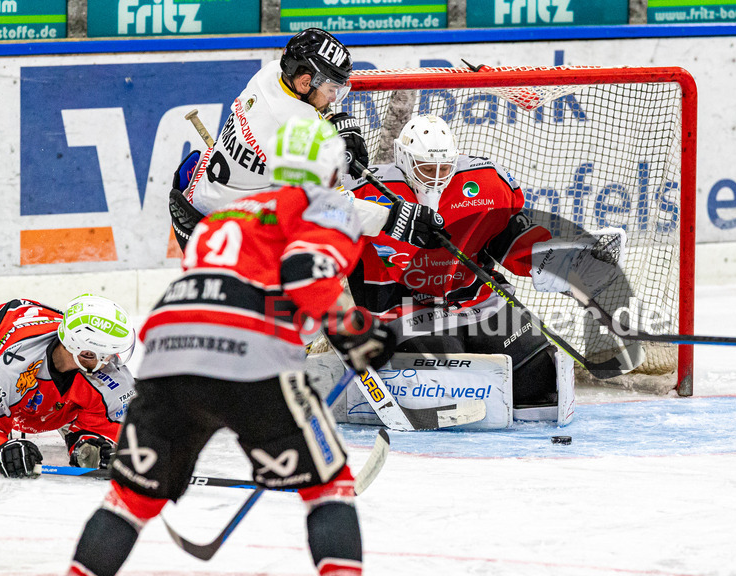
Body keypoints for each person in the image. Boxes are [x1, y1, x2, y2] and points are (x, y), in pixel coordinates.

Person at [67, 117, 396, 576]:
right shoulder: (324, 205)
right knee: (329, 488)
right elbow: (305, 271)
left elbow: (228, 290)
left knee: (129, 500)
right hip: (249, 355)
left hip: (166, 353)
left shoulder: (223, 216)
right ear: (332, 169)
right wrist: (356, 333)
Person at [342, 114, 621, 424]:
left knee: (538, 376)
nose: (436, 177)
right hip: (407, 311)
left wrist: (560, 262)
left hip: (479, 301)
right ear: (405, 161)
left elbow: (509, 238)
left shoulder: (486, 182)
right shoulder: (365, 191)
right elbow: (318, 222)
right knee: (452, 384)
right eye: (426, 168)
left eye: (443, 168)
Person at [169, 27, 444, 256]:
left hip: (200, 196)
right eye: (331, 90)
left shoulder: (269, 74)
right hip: (220, 236)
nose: (333, 99)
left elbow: (297, 117)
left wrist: (330, 124)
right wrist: (394, 219)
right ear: (304, 82)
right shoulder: (294, 133)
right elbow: (325, 206)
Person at [0, 294, 137, 478]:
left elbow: (111, 427)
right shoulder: (13, 366)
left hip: (43, 380)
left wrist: (92, 445)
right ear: (85, 352)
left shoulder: (112, 375)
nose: (111, 361)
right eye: (105, 354)